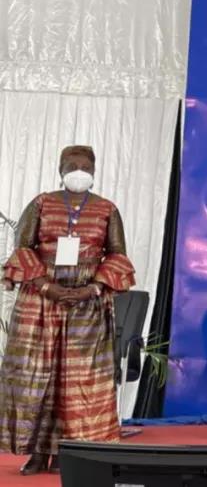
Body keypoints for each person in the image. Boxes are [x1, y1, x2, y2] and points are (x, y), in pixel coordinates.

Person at [0, 145, 136, 475]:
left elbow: (117, 254)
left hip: (87, 306)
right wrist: (47, 286)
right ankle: (36, 453)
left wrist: (93, 288)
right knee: (36, 378)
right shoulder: (42, 203)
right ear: (60, 170)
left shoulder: (107, 209)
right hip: (40, 302)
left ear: (95, 171)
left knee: (76, 384)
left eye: (86, 166)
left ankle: (67, 452)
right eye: (72, 165)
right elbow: (23, 247)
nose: (79, 171)